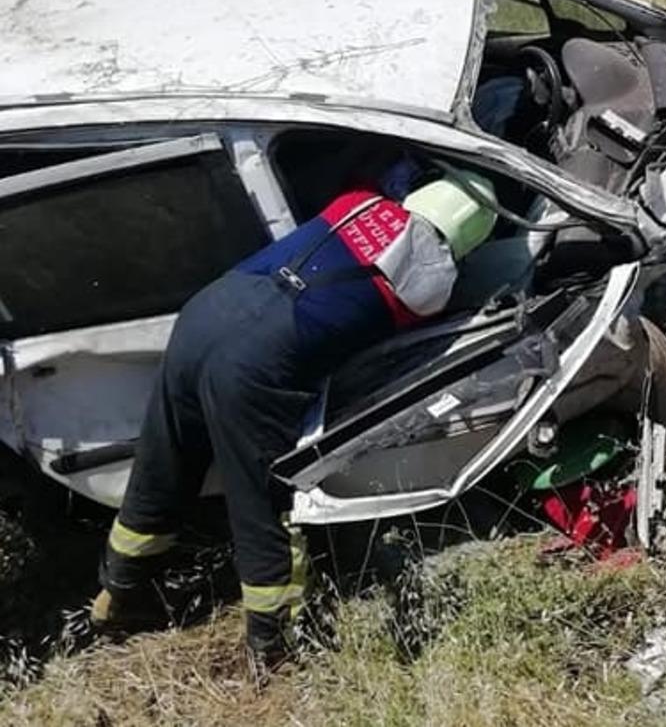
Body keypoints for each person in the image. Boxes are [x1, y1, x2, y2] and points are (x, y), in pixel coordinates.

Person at [90, 154, 498, 665]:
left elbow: (370, 183)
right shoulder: (431, 283)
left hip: (208, 312)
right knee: (259, 501)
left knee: (163, 465)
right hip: (257, 363)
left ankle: (119, 595)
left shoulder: (359, 203)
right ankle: (275, 644)